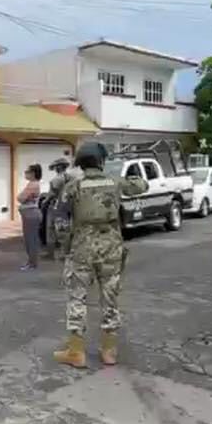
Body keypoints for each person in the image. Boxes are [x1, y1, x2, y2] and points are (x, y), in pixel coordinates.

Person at [51, 141, 149, 368]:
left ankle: (76, 352)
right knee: (110, 298)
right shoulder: (114, 182)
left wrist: (67, 247)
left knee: (77, 298)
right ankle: (109, 352)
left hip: (82, 249)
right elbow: (141, 185)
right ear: (101, 162)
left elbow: (61, 222)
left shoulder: (73, 187)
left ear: (80, 164)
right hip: (111, 249)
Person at [43, 156, 72, 260]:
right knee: (64, 229)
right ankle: (65, 253)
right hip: (66, 206)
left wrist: (44, 202)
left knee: (51, 229)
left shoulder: (57, 179)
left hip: (56, 206)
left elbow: (52, 193)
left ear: (59, 167)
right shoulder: (70, 177)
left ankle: (51, 254)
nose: (55, 168)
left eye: (56, 167)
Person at [18, 163, 43, 271]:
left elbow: (21, 198)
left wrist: (21, 197)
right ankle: (31, 261)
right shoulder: (31, 184)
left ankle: (32, 263)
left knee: (31, 239)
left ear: (33, 173)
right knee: (29, 239)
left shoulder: (33, 185)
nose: (25, 174)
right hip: (29, 214)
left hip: (31, 214)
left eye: (27, 172)